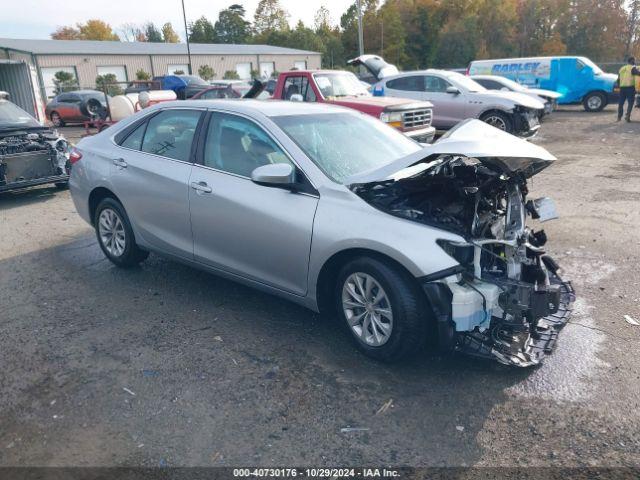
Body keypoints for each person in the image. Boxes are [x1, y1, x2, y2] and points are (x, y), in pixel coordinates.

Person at [617, 57, 640, 122]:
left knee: (621, 102)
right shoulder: (632, 68)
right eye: (634, 60)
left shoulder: (622, 68)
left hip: (622, 88)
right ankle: (627, 116)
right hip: (630, 88)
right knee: (630, 102)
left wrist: (620, 86)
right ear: (632, 61)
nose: (635, 62)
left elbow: (618, 79)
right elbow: (638, 73)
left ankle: (619, 117)